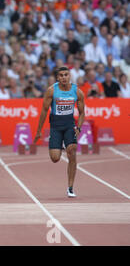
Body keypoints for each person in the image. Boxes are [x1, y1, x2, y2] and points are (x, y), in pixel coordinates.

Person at [33, 66, 85, 198]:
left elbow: (82, 112)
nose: (63, 77)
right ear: (57, 78)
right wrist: (38, 131)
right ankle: (60, 145)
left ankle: (70, 187)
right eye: (61, 75)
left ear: (70, 76)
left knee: (72, 152)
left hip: (69, 126)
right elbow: (44, 111)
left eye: (66, 75)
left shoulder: (77, 92)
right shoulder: (52, 91)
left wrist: (78, 127)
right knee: (55, 158)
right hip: (55, 127)